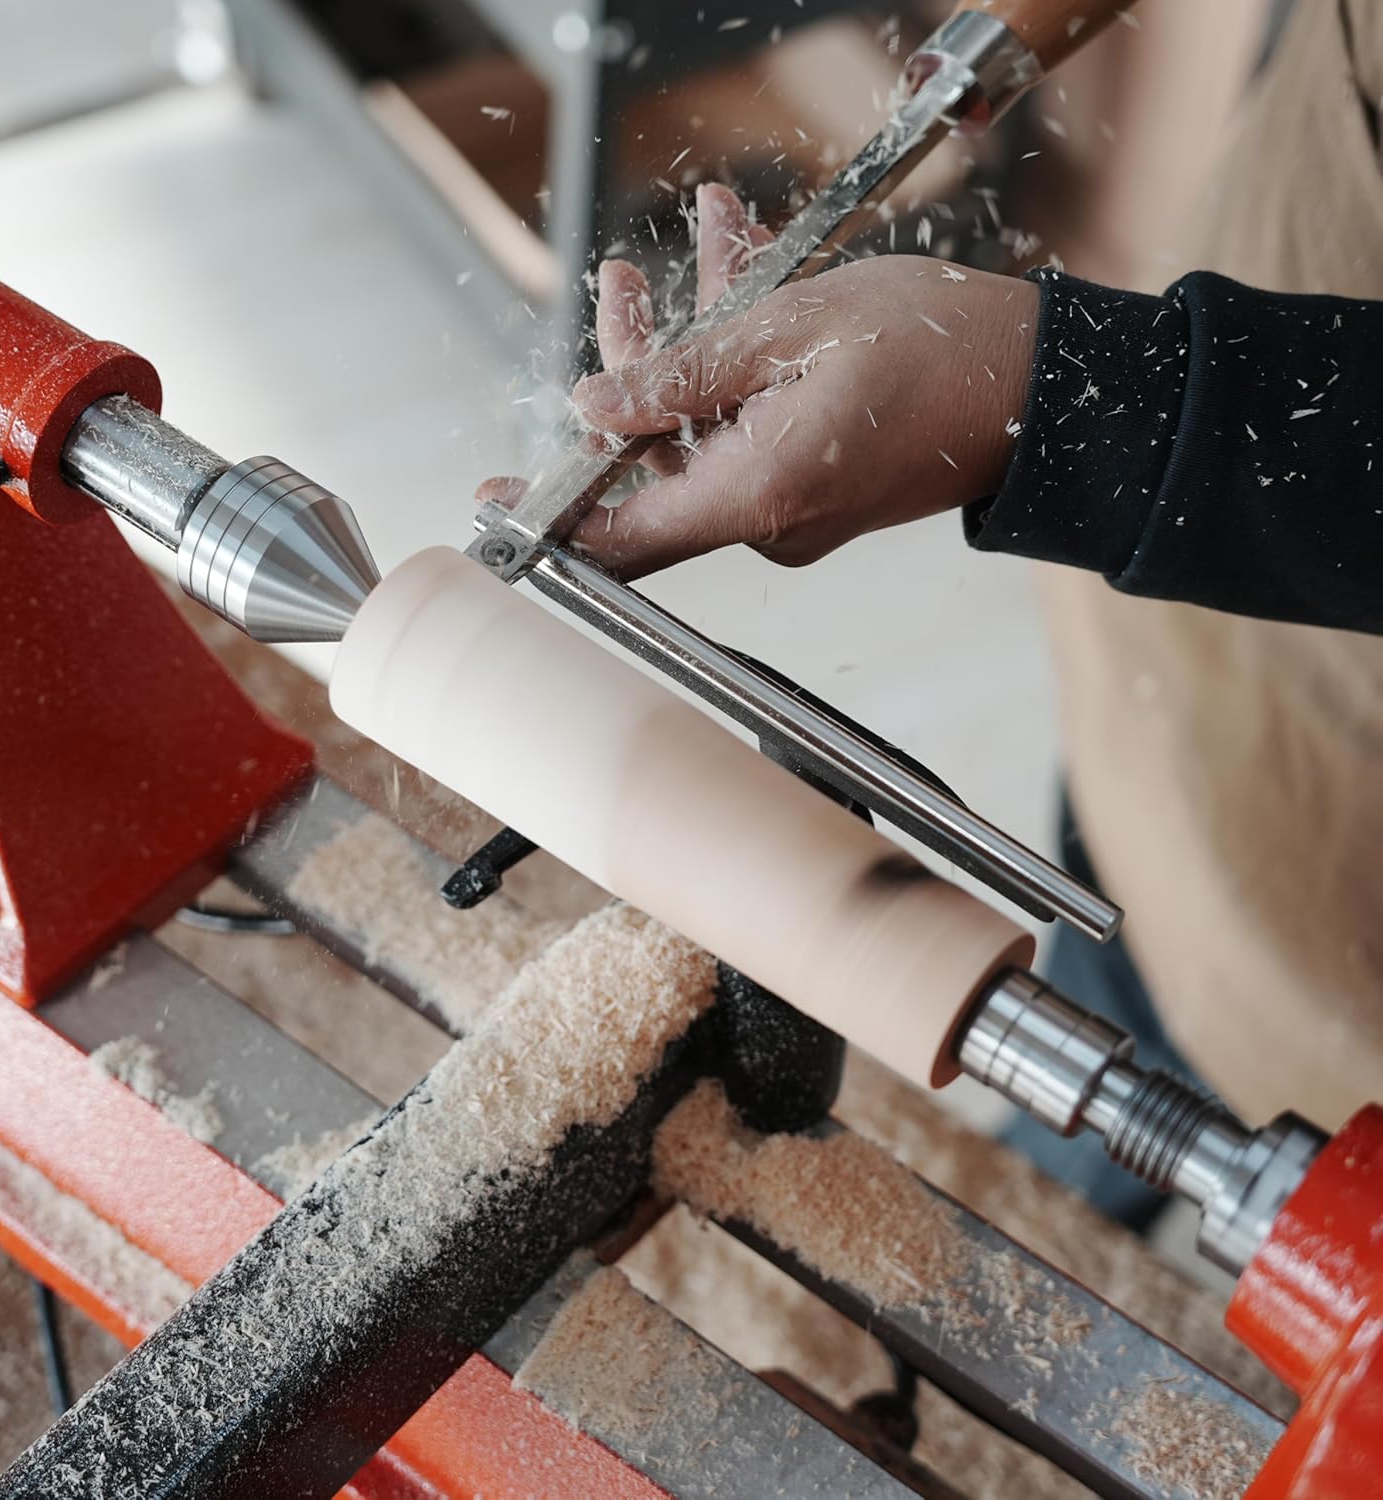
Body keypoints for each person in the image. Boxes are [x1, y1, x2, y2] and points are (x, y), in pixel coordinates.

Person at [479, 0, 1383, 1227]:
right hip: (1205, 596)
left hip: (1351, 838)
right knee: (1109, 984)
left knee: (1269, 1170)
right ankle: (1059, 1164)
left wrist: (1053, 395)